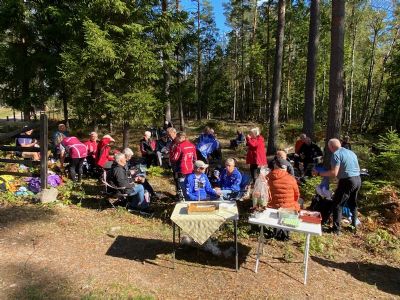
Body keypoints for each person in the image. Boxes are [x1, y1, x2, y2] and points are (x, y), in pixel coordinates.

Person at [313, 138, 361, 234]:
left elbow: (334, 173)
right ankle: (353, 227)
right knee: (353, 203)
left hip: (348, 181)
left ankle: (336, 229)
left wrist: (319, 173)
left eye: (329, 147)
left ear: (331, 147)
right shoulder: (351, 153)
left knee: (337, 204)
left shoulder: (336, 154)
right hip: (358, 179)